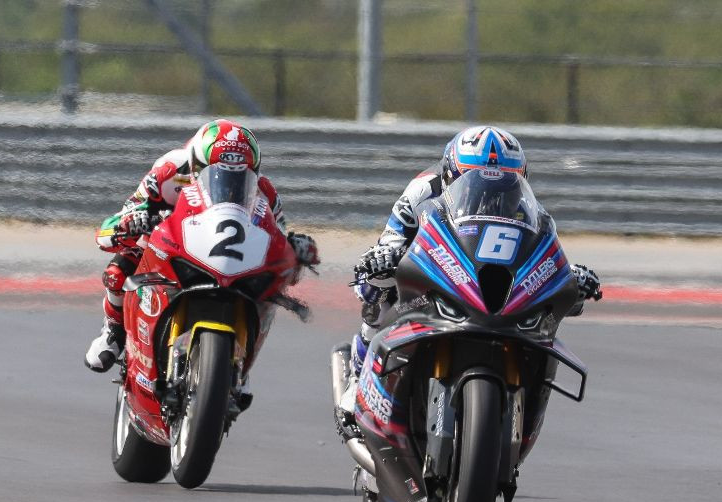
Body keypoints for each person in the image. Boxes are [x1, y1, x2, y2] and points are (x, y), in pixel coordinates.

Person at [338, 125, 602, 412]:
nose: (490, 190)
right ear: (451, 173)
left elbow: (541, 247)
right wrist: (386, 256)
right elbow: (392, 236)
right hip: (428, 266)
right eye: (473, 179)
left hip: (483, 281)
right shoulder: (423, 189)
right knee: (375, 285)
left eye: (505, 181)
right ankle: (358, 371)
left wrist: (569, 274)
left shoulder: (528, 205)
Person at [85, 118, 319, 372]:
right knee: (118, 270)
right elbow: (123, 217)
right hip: (171, 244)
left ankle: (239, 358)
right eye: (217, 169)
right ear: (196, 163)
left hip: (230, 258)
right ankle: (113, 330)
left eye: (240, 174)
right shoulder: (168, 171)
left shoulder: (263, 190)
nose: (228, 179)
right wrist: (134, 221)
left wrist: (294, 251)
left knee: (266, 295)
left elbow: (280, 240)